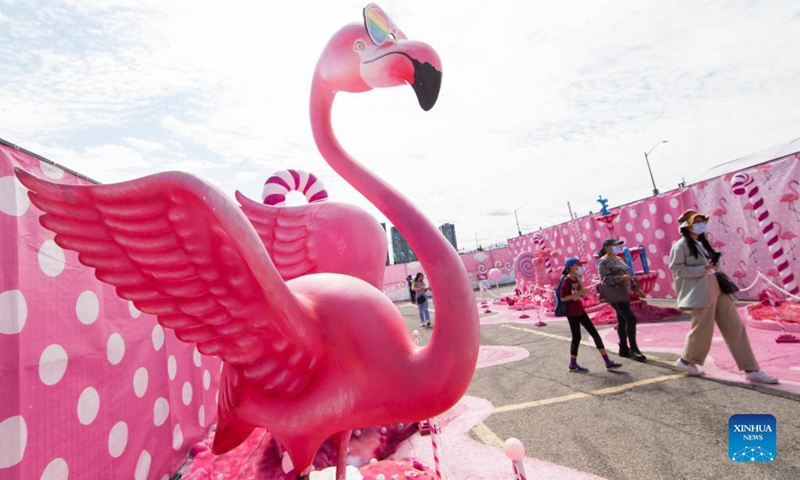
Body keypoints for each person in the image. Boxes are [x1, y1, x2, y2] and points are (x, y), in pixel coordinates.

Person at [669, 210, 778, 384]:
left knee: (735, 326)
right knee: (702, 328)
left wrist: (713, 264)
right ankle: (686, 360)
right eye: (696, 222)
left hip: (717, 286)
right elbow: (677, 270)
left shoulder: (704, 242)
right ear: (687, 226)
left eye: (701, 221)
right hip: (700, 290)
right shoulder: (680, 246)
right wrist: (702, 269)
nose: (700, 225)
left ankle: (751, 368)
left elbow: (712, 265)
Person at [560, 257, 622, 373]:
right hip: (572, 313)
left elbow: (583, 295)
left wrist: (580, 283)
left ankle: (607, 361)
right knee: (576, 337)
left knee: (595, 334)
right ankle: (572, 364)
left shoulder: (576, 279)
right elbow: (563, 298)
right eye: (578, 266)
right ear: (571, 267)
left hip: (580, 311)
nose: (580, 268)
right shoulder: (566, 281)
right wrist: (576, 294)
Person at [598, 238, 647, 362]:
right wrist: (620, 278)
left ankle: (624, 348)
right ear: (608, 247)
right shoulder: (604, 262)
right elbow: (604, 279)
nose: (618, 247)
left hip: (624, 293)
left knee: (622, 320)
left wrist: (637, 290)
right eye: (615, 245)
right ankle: (634, 349)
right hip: (615, 295)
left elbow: (628, 277)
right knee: (631, 319)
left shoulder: (619, 259)